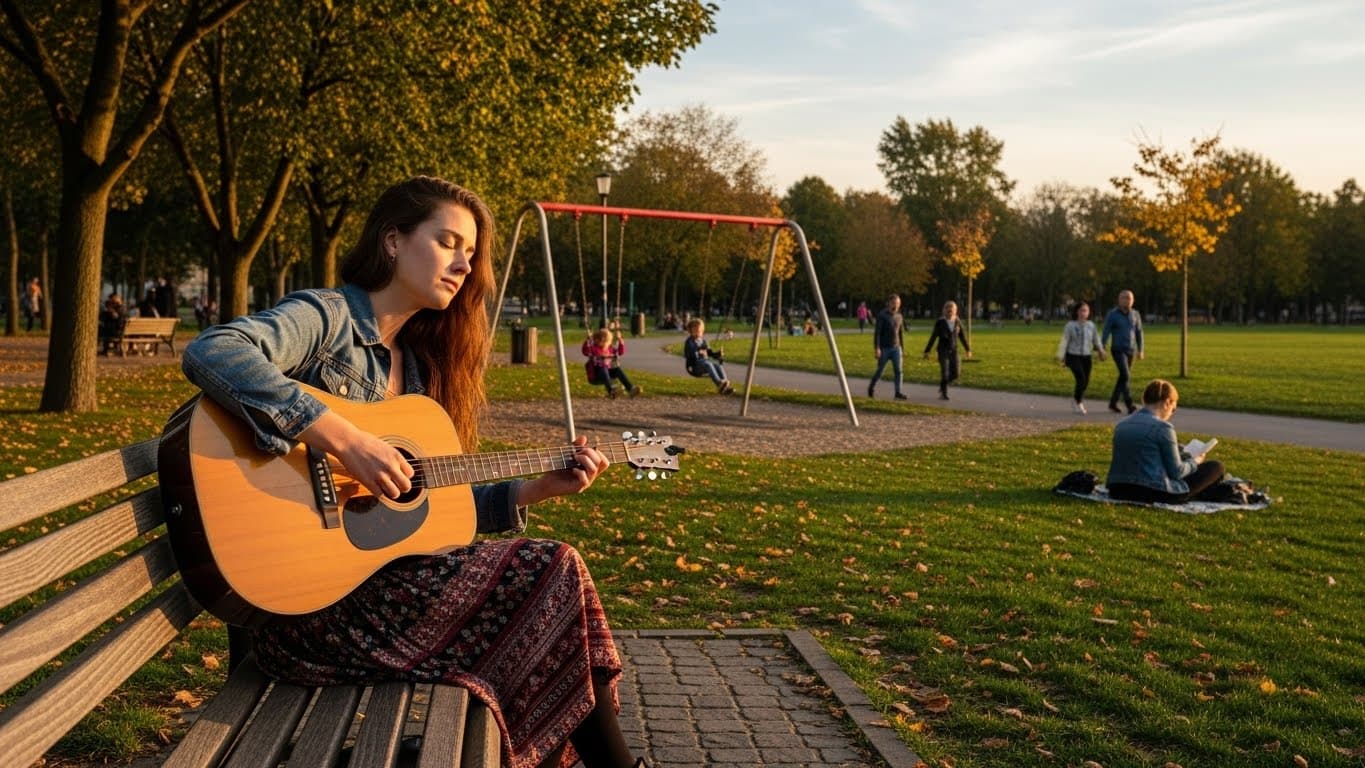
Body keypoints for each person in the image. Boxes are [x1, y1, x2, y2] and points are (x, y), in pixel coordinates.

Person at [181, 177, 648, 768]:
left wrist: (538, 487)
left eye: (471, 254)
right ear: (394, 241)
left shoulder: (421, 371)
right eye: (448, 241)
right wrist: (346, 440)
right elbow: (216, 350)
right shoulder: (327, 318)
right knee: (552, 571)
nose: (463, 264)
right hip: (304, 615)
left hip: (378, 594)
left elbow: (426, 516)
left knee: (554, 587)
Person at [1106, 379, 1226, 504]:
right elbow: (1177, 472)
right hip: (1151, 491)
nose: (1171, 414)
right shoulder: (1163, 428)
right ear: (1167, 402)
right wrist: (1195, 461)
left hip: (1117, 489)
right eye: (1173, 409)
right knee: (1216, 467)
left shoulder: (1122, 424)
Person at [1056, 301, 1106, 414]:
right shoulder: (1070, 325)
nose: (1083, 313)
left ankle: (1076, 399)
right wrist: (1061, 356)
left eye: (1086, 310)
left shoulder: (1091, 325)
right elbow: (1065, 341)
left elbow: (1096, 339)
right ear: (1076, 312)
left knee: (1086, 381)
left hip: (1086, 356)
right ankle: (1078, 403)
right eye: (1081, 310)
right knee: (1081, 379)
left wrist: (1101, 351)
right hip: (1073, 356)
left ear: (1088, 313)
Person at [1101, 289, 1145, 414]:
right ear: (1119, 300)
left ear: (1133, 301)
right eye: (1124, 298)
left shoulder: (1135, 314)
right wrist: (1102, 347)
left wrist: (1140, 350)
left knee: (1123, 377)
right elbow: (1106, 331)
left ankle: (1113, 403)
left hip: (1130, 350)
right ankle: (1129, 404)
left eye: (1129, 298)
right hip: (1117, 349)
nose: (1127, 300)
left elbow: (1139, 333)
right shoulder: (1113, 314)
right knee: (1125, 375)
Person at [923, 300, 971, 400]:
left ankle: (942, 385)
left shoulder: (957, 321)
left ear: (955, 311)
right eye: (948, 310)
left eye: (952, 310)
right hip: (942, 350)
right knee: (945, 372)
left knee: (956, 373)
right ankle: (943, 393)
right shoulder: (940, 322)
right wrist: (927, 351)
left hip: (954, 350)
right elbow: (933, 336)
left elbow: (962, 336)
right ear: (944, 311)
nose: (950, 312)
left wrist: (968, 349)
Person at [582, 326, 641, 399]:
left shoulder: (610, 349)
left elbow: (620, 352)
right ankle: (612, 390)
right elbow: (585, 351)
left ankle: (631, 388)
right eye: (607, 342)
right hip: (596, 376)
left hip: (608, 374)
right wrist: (587, 340)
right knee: (603, 368)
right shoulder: (594, 348)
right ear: (601, 341)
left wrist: (620, 340)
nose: (609, 343)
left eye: (609, 342)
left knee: (617, 369)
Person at [867, 294, 907, 400]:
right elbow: (877, 333)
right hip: (884, 348)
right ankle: (871, 387)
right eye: (894, 303)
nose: (896, 305)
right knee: (880, 370)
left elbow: (900, 333)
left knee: (898, 371)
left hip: (896, 348)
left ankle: (898, 392)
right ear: (888, 303)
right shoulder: (882, 315)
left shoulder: (899, 316)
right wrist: (877, 348)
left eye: (898, 303)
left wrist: (902, 348)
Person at [683, 317, 732, 394]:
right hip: (694, 366)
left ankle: (725, 385)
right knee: (708, 363)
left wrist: (718, 354)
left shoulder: (703, 341)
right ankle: (719, 383)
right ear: (690, 331)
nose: (697, 333)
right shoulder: (689, 342)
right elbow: (688, 355)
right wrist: (698, 352)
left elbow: (710, 353)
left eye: (699, 331)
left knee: (716, 362)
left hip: (704, 363)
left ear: (702, 331)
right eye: (695, 331)